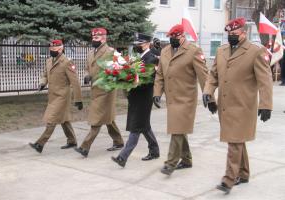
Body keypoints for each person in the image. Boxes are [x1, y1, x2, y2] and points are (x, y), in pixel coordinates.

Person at [203, 17, 273, 194]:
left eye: (235, 34)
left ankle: (229, 179)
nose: (231, 37)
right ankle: (244, 173)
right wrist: (208, 92)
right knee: (237, 140)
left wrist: (266, 104)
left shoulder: (256, 51)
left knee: (234, 141)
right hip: (225, 105)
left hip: (244, 106)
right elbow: (213, 75)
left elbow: (265, 81)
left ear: (244, 33)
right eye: (229, 34)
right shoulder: (221, 51)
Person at [153, 24, 216, 175]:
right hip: (171, 98)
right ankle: (186, 160)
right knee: (180, 129)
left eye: (175, 37)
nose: (173, 40)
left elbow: (204, 75)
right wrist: (157, 93)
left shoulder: (193, 51)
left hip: (186, 98)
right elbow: (160, 74)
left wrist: (210, 97)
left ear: (183, 36)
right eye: (171, 37)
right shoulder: (165, 51)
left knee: (176, 130)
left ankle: (170, 163)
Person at [111, 33, 160, 167]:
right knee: (144, 126)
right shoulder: (140, 58)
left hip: (144, 97)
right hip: (137, 96)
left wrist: (130, 78)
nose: (137, 46)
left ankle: (123, 157)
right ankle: (154, 151)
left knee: (136, 127)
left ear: (147, 44)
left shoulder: (151, 58)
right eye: (137, 44)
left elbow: (149, 79)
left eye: (140, 43)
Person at [74, 27, 124, 157]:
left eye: (96, 38)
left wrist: (109, 76)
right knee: (108, 118)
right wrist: (87, 75)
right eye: (93, 37)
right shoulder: (91, 53)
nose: (93, 39)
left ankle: (85, 147)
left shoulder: (111, 52)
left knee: (96, 119)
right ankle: (118, 142)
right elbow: (87, 68)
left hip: (106, 91)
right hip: (95, 90)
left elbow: (119, 70)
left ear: (104, 38)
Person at [29, 39, 83, 153]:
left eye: (55, 49)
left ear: (61, 48)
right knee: (64, 120)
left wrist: (78, 99)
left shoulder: (67, 62)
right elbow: (44, 74)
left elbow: (75, 82)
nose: (52, 50)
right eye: (51, 48)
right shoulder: (49, 61)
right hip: (52, 96)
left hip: (63, 96)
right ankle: (72, 141)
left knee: (51, 119)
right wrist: (42, 83)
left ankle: (40, 144)